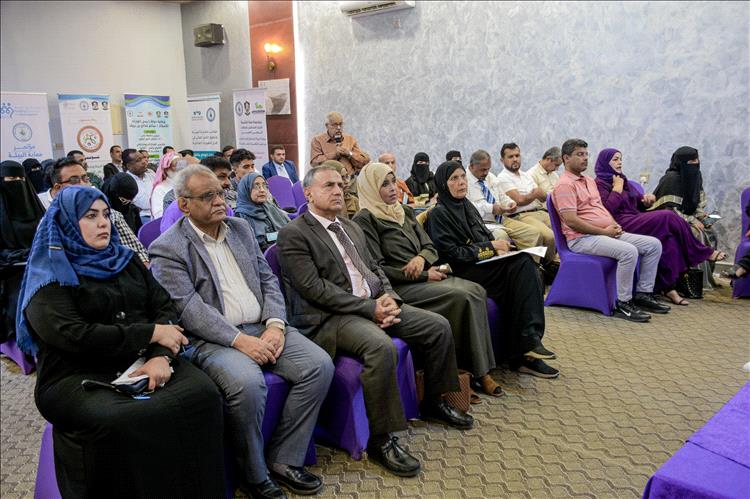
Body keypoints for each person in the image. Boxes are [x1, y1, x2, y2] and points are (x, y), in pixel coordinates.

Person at [15, 186, 226, 498]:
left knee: (203, 396)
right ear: (66, 222)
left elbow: (163, 307)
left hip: (143, 360)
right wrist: (150, 334)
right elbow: (74, 335)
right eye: (90, 216)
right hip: (76, 374)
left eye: (105, 215)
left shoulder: (125, 260)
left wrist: (159, 356)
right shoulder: (50, 273)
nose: (104, 223)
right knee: (122, 419)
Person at [150, 165, 333, 498]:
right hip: (213, 340)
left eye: (221, 193)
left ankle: (284, 458)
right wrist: (239, 340)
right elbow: (189, 309)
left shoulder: (241, 228)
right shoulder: (168, 247)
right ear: (184, 204)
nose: (220, 201)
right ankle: (254, 473)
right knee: (248, 383)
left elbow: (267, 280)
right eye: (208, 196)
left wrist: (275, 324)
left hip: (262, 326)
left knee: (318, 366)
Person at [277, 165, 473, 477]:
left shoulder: (350, 226)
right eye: (329, 186)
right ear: (308, 193)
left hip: (372, 303)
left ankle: (435, 401)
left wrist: (390, 297)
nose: (338, 190)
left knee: (436, 326)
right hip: (330, 317)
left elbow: (375, 268)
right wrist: (371, 309)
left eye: (340, 184)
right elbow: (315, 289)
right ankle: (382, 439)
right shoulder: (294, 233)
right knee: (381, 347)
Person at [353, 162, 503, 397]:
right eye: (384, 184)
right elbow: (377, 269)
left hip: (424, 276)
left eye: (393, 182)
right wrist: (424, 274)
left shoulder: (402, 211)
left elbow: (429, 246)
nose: (393, 188)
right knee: (462, 296)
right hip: (400, 286)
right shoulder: (365, 219)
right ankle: (478, 373)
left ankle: (475, 369)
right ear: (371, 188)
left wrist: (422, 258)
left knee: (476, 290)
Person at [424, 160, 559, 378]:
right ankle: (527, 345)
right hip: (461, 269)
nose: (461, 182)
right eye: (454, 179)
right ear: (442, 184)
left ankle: (526, 348)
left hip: (481, 264)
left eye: (462, 177)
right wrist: (490, 248)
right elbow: (452, 254)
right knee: (522, 267)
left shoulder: (466, 206)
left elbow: (484, 235)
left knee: (527, 265)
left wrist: (500, 250)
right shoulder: (439, 214)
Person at [551, 139, 670, 322]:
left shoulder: (589, 181)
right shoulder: (564, 185)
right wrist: (605, 232)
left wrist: (614, 225)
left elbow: (601, 209)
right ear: (566, 158)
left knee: (653, 245)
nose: (585, 158)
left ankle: (643, 294)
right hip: (582, 239)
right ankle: (623, 304)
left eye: (586, 154)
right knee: (629, 251)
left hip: (604, 233)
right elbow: (572, 221)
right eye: (580, 154)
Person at [594, 148, 722, 305]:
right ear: (604, 163)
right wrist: (617, 190)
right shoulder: (600, 184)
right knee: (668, 216)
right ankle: (702, 252)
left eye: (620, 159)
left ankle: (667, 288)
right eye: (615, 159)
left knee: (669, 240)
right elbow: (607, 211)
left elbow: (638, 202)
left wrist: (646, 200)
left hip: (634, 217)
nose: (619, 162)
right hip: (618, 223)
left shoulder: (623, 180)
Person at [43, 160, 149, 265]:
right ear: (58, 188)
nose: (83, 185)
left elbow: (139, 253)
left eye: (85, 179)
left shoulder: (111, 215)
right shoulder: (48, 220)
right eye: (74, 180)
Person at [651, 146, 721, 290]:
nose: (696, 163)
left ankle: (703, 279)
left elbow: (696, 202)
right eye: (692, 161)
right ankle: (688, 282)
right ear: (681, 162)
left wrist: (702, 217)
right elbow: (669, 209)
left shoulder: (696, 176)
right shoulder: (670, 179)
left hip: (688, 217)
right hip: (670, 221)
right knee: (695, 233)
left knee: (711, 233)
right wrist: (691, 220)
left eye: (697, 159)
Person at [464, 149, 549, 258]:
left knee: (533, 233)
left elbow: (502, 196)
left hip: (501, 218)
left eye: (488, 169)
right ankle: (508, 267)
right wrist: (492, 208)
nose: (486, 173)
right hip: (482, 223)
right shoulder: (464, 180)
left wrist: (510, 203)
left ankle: (531, 265)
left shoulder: (491, 177)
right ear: (472, 166)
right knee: (501, 236)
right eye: (483, 170)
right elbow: (469, 207)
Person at [0, 160, 45, 342]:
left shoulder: (36, 207)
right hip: (11, 273)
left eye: (21, 178)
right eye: (12, 179)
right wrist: (16, 255)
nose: (18, 183)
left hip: (42, 266)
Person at [496, 143, 557, 259]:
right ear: (502, 160)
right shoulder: (502, 177)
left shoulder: (526, 175)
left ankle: (564, 260)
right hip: (522, 215)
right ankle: (550, 264)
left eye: (517, 155)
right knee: (550, 236)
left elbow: (543, 197)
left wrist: (532, 195)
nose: (515, 159)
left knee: (565, 228)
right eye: (510, 157)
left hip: (540, 211)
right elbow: (519, 200)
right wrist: (534, 194)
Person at [160, 156, 235, 233]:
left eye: (229, 177)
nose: (228, 183)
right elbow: (168, 238)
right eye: (222, 177)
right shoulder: (178, 208)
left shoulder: (224, 207)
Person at [309, 112, 370, 195]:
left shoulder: (350, 139)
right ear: (327, 125)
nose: (338, 128)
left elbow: (364, 161)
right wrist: (334, 154)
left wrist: (349, 154)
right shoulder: (317, 140)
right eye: (334, 125)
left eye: (340, 124)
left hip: (350, 184)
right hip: (330, 185)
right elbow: (315, 162)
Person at [236, 172, 291, 251]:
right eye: (256, 186)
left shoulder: (270, 207)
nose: (262, 190)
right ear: (246, 189)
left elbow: (289, 228)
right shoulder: (240, 216)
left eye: (264, 185)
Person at [124, 150, 155, 224]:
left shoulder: (151, 174)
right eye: (138, 160)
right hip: (140, 217)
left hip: (156, 213)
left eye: (143, 158)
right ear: (129, 166)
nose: (144, 161)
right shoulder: (125, 180)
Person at [150, 151, 183, 219]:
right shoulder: (160, 189)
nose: (180, 168)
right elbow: (159, 215)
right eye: (176, 165)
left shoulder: (186, 185)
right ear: (167, 169)